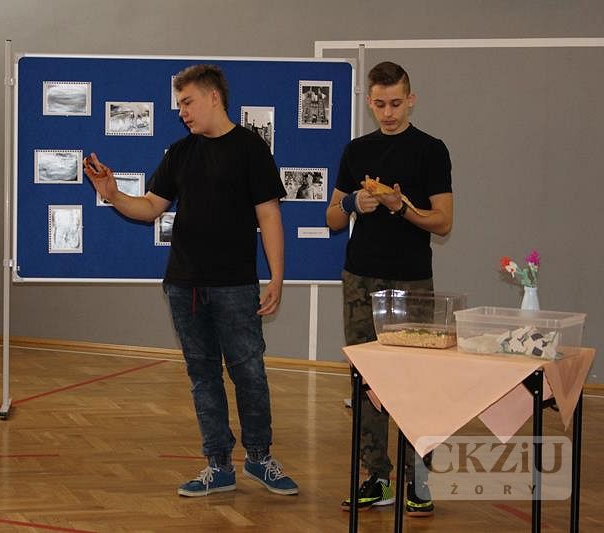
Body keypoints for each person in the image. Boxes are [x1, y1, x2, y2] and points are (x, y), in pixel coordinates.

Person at [84, 64, 298, 498]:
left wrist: (277, 277)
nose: (182, 112)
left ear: (213, 97)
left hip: (236, 287)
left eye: (187, 102)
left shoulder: (251, 149)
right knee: (203, 377)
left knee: (250, 374)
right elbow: (150, 207)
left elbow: (269, 215)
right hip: (184, 287)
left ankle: (259, 458)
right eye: (179, 104)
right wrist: (113, 194)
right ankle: (218, 465)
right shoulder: (180, 153)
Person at [325, 61, 453, 517]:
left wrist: (402, 208)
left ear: (411, 99)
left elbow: (443, 222)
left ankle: (418, 480)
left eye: (396, 103)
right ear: (369, 102)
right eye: (379, 104)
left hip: (412, 279)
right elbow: (332, 218)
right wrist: (352, 202)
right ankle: (376, 477)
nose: (388, 113)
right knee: (366, 379)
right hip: (360, 278)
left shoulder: (431, 150)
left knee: (416, 381)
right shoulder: (356, 150)